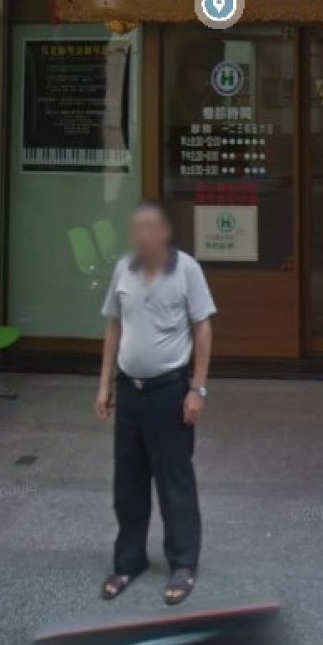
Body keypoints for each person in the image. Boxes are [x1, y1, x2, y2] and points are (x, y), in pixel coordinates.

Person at [95, 201, 216, 607]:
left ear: (166, 232)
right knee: (127, 482)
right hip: (130, 391)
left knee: (174, 480)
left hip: (169, 391)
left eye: (151, 226)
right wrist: (104, 384)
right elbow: (114, 326)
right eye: (137, 227)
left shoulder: (187, 270)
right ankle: (128, 562)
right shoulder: (123, 269)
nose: (143, 234)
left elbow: (203, 327)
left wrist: (197, 389)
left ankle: (183, 564)